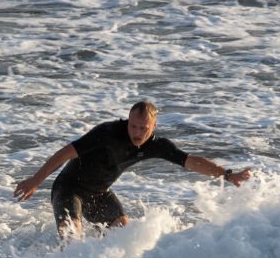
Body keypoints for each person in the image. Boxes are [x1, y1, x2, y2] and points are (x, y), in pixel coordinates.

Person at [13, 101, 251, 238]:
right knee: (71, 237)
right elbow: (64, 153)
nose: (137, 133)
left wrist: (227, 174)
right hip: (69, 189)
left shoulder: (156, 145)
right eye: (133, 126)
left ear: (154, 126)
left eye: (143, 128)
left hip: (99, 194)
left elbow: (191, 161)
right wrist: (35, 180)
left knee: (123, 232)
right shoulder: (107, 133)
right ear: (128, 120)